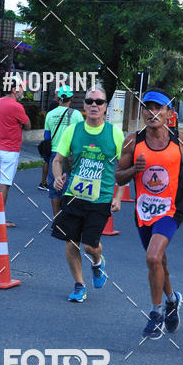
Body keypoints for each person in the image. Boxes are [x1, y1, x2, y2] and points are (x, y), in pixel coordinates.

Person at [116, 89, 183, 339]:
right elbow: (118, 177)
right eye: (148, 107)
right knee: (159, 261)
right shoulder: (132, 141)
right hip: (144, 210)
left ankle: (155, 314)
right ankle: (171, 299)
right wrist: (134, 168)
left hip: (172, 209)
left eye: (159, 108)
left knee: (153, 257)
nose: (152, 112)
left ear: (169, 113)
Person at [51, 86, 123, 302]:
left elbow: (123, 169)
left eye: (99, 102)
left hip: (100, 199)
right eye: (90, 101)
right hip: (74, 195)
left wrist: (118, 197)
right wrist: (57, 177)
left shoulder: (115, 133)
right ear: (83, 106)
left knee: (90, 245)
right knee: (70, 241)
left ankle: (97, 262)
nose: (94, 105)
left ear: (105, 107)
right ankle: (79, 285)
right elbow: (57, 160)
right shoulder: (73, 131)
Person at [0, 76, 31, 226]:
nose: (23, 90)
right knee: (5, 184)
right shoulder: (16, 106)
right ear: (14, 90)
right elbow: (27, 124)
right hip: (10, 149)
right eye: (21, 87)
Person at [44, 86, 84, 221]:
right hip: (70, 155)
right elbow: (81, 136)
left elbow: (46, 137)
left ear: (58, 98)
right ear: (71, 98)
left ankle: (56, 219)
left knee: (54, 187)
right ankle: (67, 218)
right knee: (69, 187)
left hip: (55, 153)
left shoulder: (50, 114)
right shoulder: (77, 115)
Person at [38, 92, 60, 191]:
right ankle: (47, 182)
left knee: (47, 160)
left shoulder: (51, 108)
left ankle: (43, 182)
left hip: (49, 138)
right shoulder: (55, 106)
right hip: (53, 139)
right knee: (51, 161)